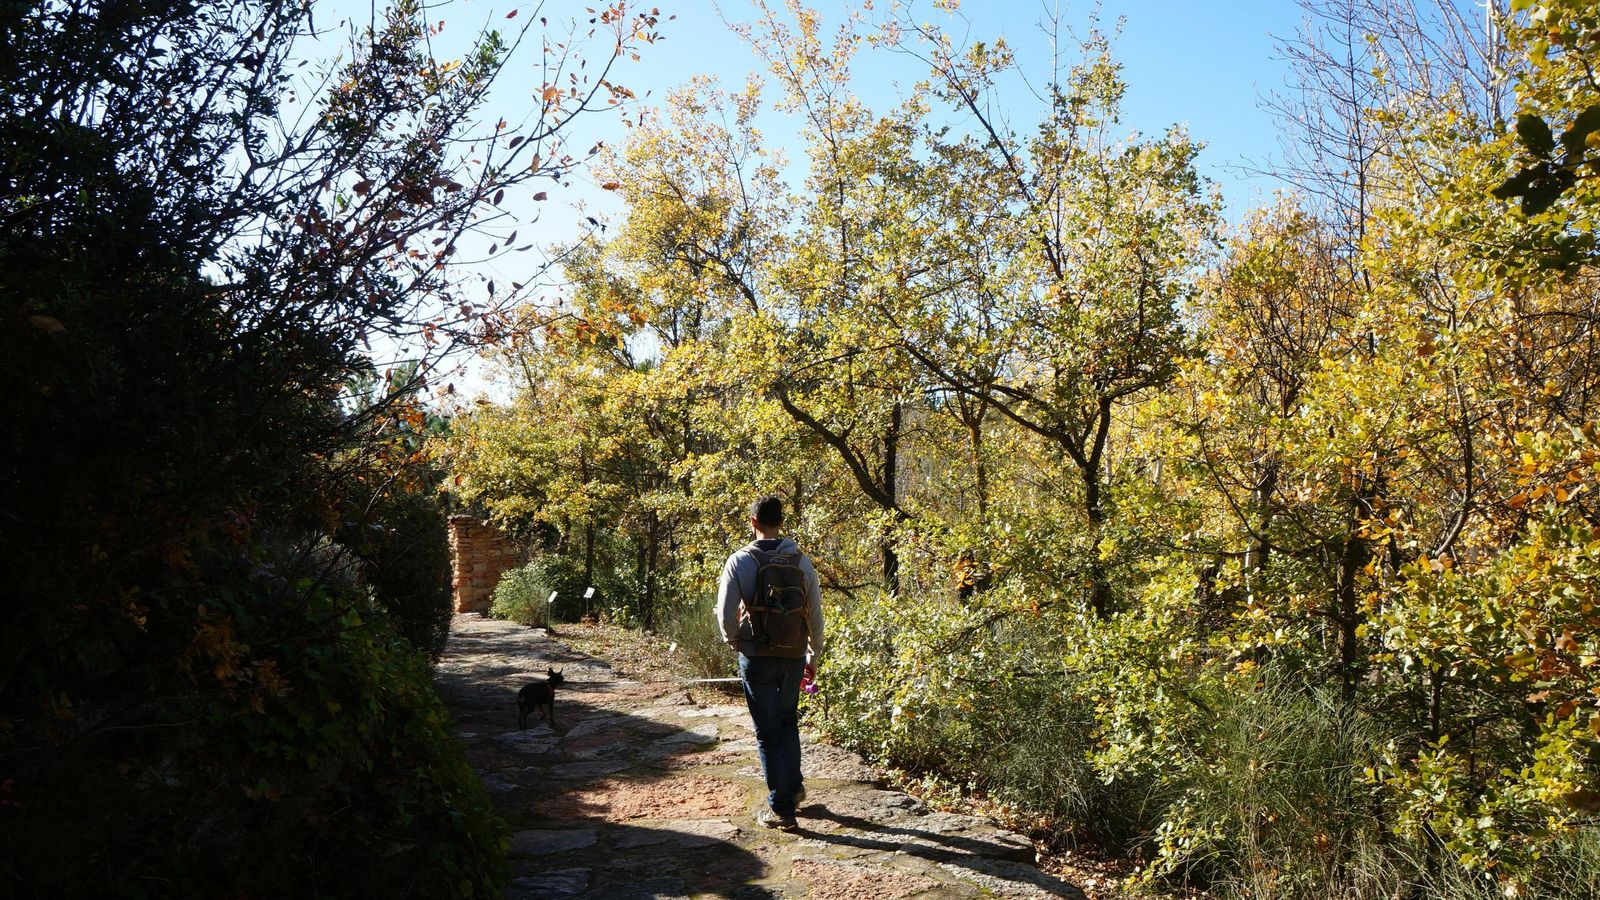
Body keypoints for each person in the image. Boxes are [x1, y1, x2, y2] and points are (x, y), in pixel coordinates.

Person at [715, 494, 824, 829]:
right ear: (781, 522)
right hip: (793, 655)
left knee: (767, 731)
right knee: (788, 722)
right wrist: (814, 654)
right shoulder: (801, 562)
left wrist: (736, 642)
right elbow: (815, 615)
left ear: (753, 522)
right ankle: (794, 789)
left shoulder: (740, 561)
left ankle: (782, 810)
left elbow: (725, 614)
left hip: (756, 656)